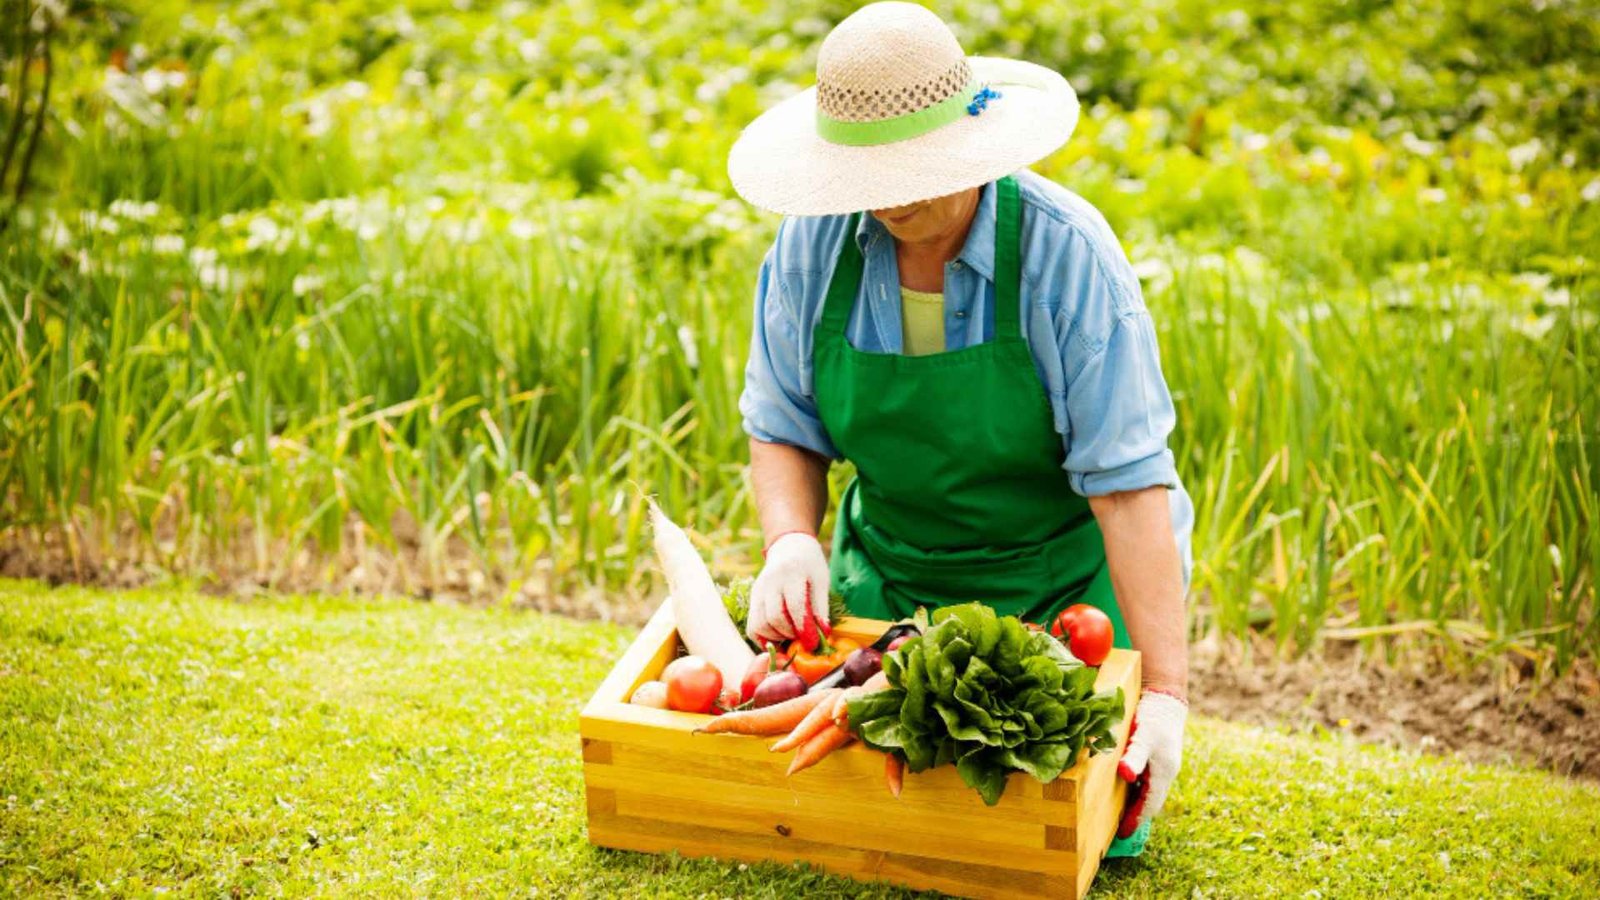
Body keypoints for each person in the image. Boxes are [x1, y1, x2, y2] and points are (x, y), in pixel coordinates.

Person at [725, 1, 1191, 857]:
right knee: (859, 816)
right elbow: (782, 425)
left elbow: (1128, 486)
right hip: (894, 587)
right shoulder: (808, 252)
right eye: (872, 172)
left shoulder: (1065, 256)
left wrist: (1162, 694)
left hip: (1065, 593)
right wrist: (790, 541)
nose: (895, 195)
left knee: (1083, 833)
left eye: (917, 164)